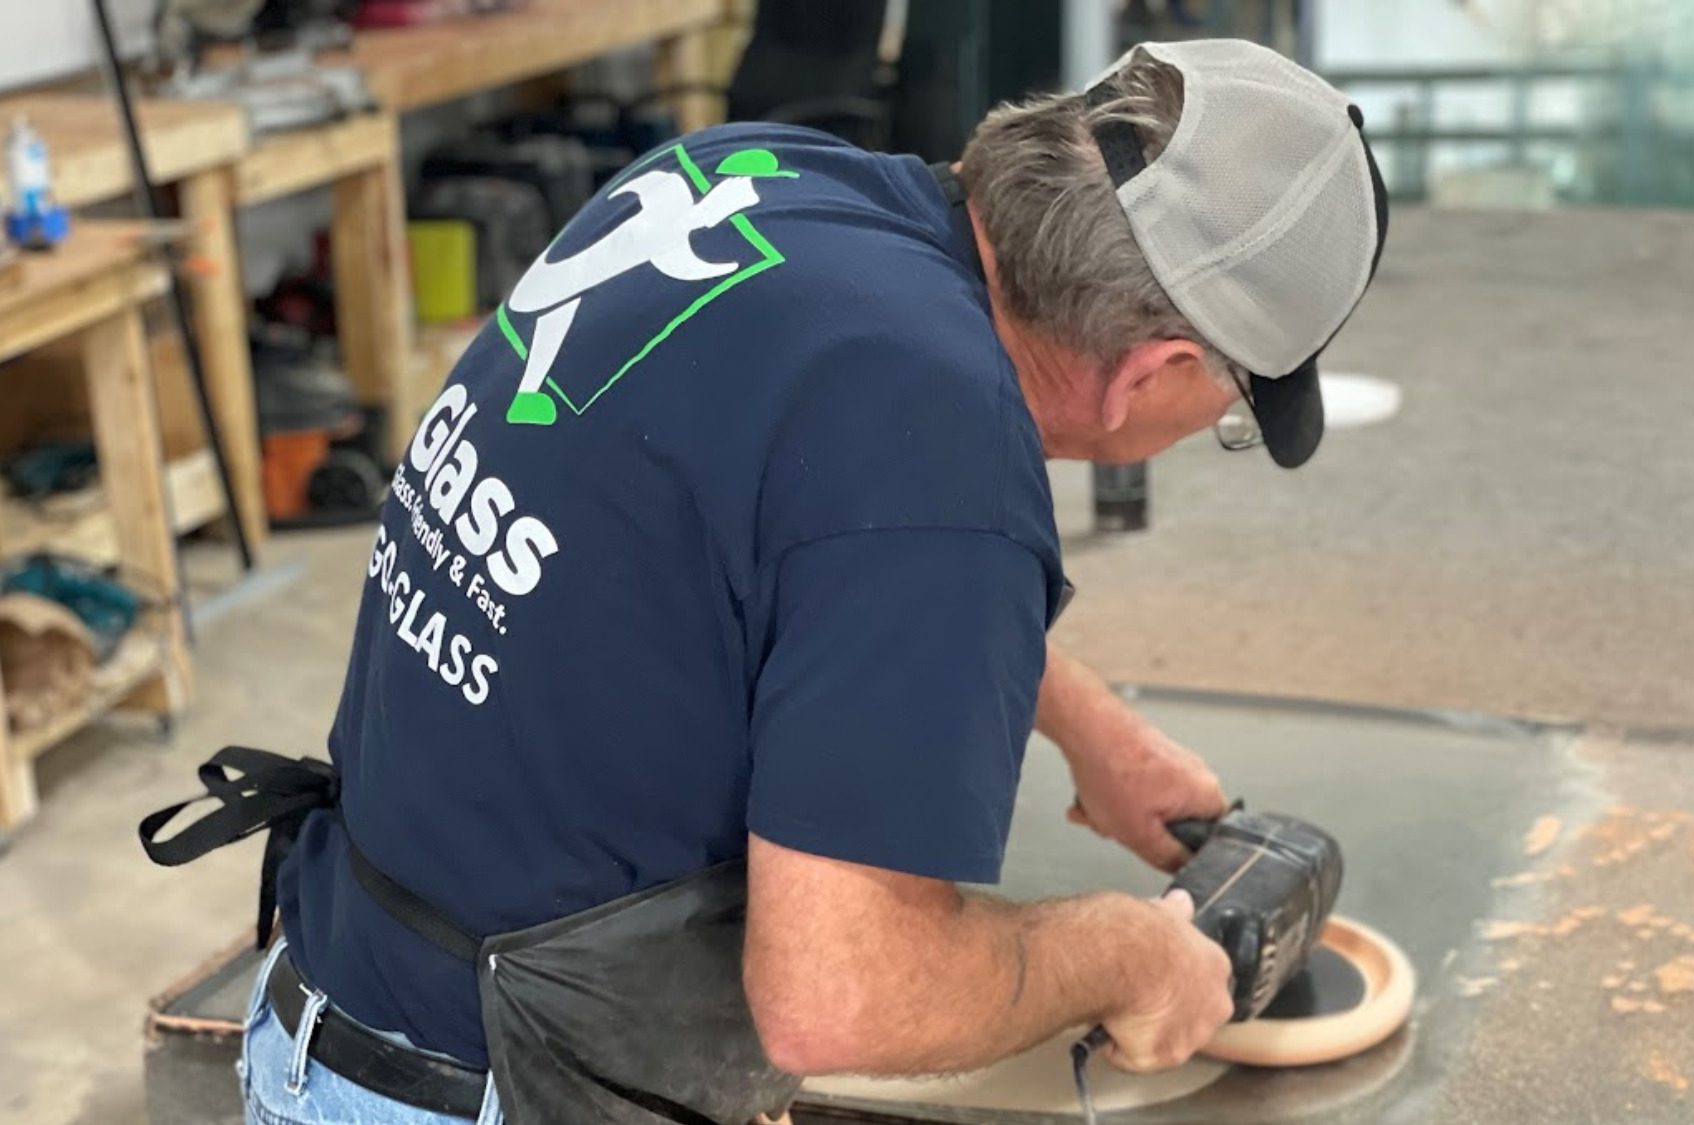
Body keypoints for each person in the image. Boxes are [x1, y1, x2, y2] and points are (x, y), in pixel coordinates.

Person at [142, 37, 1387, 1125]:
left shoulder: (758, 178)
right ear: (1152, 370)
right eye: (1227, 407)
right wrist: (1123, 958)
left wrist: (1089, 730)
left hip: (335, 998)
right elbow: (838, 1000)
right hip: (485, 1089)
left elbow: (784, 544)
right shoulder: (943, 463)